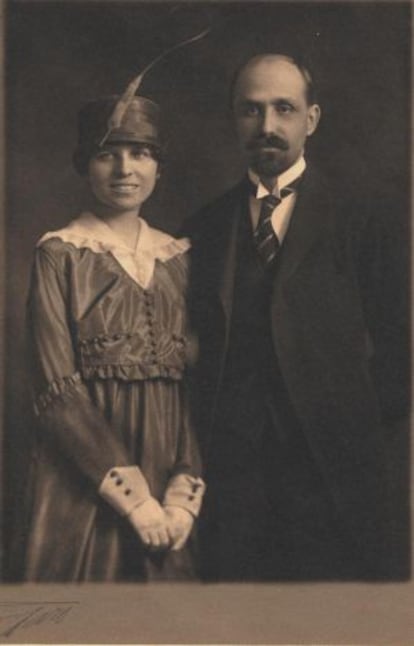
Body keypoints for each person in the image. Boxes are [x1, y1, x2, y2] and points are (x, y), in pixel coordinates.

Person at [184, 53, 410, 581]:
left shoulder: (366, 216)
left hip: (335, 484)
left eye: (283, 109)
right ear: (234, 119)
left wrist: (352, 433)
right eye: (251, 110)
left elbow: (403, 350)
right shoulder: (206, 226)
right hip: (234, 487)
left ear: (310, 120)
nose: (267, 126)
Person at [21, 93, 205, 582]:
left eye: (140, 153)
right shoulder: (60, 254)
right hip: (85, 479)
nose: (125, 168)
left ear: (158, 167)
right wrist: (135, 500)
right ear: (86, 165)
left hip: (167, 481)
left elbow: (193, 386)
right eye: (108, 154)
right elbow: (56, 387)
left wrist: (182, 496)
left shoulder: (178, 259)